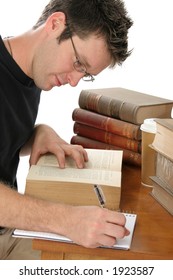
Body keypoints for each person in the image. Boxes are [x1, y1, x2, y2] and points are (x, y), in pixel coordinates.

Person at [0, 0, 133, 259]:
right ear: (55, 24)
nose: (74, 82)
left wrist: (38, 132)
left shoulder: (31, 75)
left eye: (86, 74)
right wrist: (67, 220)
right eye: (78, 63)